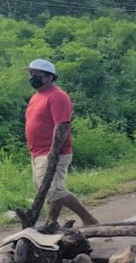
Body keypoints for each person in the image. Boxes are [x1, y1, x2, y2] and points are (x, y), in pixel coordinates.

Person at [23, 59, 98, 226]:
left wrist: (53, 152)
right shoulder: (36, 97)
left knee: (54, 190)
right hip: (37, 151)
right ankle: (52, 222)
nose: (32, 78)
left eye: (37, 75)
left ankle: (89, 220)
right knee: (50, 190)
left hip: (53, 151)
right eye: (31, 74)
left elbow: (62, 125)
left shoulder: (58, 96)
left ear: (49, 77)